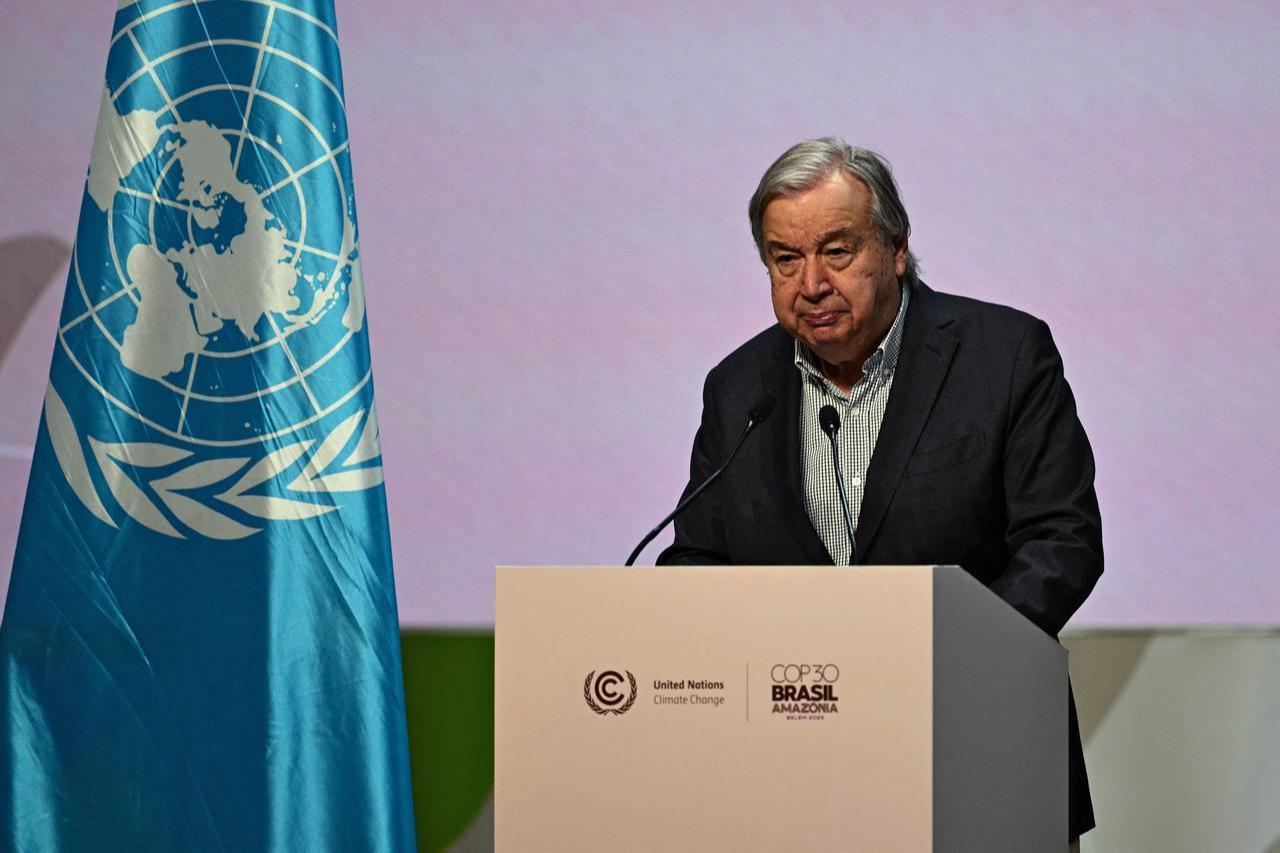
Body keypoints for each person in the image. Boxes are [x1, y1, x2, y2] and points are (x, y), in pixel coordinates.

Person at [657, 137, 1103, 844]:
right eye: (785, 259)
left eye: (837, 251)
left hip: (979, 752)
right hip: (791, 775)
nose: (811, 284)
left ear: (895, 249)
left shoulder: (1005, 355)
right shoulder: (738, 388)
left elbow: (1062, 542)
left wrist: (939, 661)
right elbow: (696, 558)